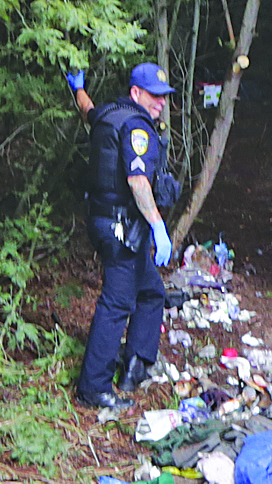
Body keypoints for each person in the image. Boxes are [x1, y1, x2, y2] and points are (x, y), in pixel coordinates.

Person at [66, 63, 178, 411]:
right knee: (116, 304)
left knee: (151, 292)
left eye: (163, 97)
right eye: (153, 96)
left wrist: (77, 87)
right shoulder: (136, 127)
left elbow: (87, 110)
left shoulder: (109, 115)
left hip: (104, 222)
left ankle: (135, 366)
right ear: (136, 93)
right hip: (121, 229)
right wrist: (158, 226)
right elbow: (137, 181)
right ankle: (94, 387)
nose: (160, 103)